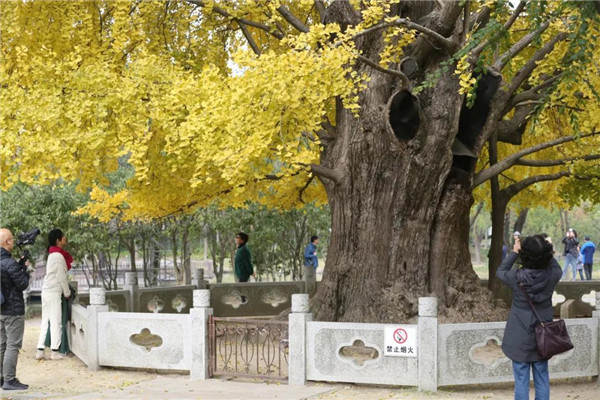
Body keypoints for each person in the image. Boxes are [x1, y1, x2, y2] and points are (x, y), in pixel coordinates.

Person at [496, 234, 561, 400]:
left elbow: (501, 271)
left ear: (524, 255)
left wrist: (514, 252)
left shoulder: (515, 277)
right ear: (546, 255)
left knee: (521, 379)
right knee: (542, 377)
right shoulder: (552, 275)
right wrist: (548, 251)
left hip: (519, 336)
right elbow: (556, 268)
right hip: (543, 335)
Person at [0, 228, 30, 390]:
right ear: (7, 242)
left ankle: (2, 377)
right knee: (13, 345)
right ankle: (9, 380)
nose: (13, 241)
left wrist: (19, 266)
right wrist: (24, 269)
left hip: (1, 310)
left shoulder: (5, 262)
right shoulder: (8, 263)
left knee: (2, 344)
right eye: (11, 239)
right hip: (13, 310)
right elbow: (23, 284)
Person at [35, 229, 71, 361]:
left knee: (46, 320)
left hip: (46, 291)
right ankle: (55, 352)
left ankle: (40, 350)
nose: (65, 238)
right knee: (56, 321)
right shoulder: (58, 256)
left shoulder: (51, 254)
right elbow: (62, 277)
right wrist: (67, 293)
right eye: (63, 236)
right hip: (54, 292)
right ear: (58, 240)